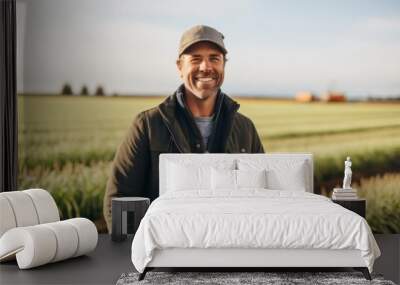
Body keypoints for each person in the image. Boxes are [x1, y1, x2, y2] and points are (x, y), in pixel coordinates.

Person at [103, 25, 264, 232]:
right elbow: (120, 199)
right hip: (166, 254)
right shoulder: (148, 125)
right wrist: (136, 257)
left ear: (224, 66)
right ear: (180, 67)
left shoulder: (245, 128)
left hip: (229, 248)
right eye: (195, 59)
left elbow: (262, 196)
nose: (205, 67)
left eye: (214, 58)